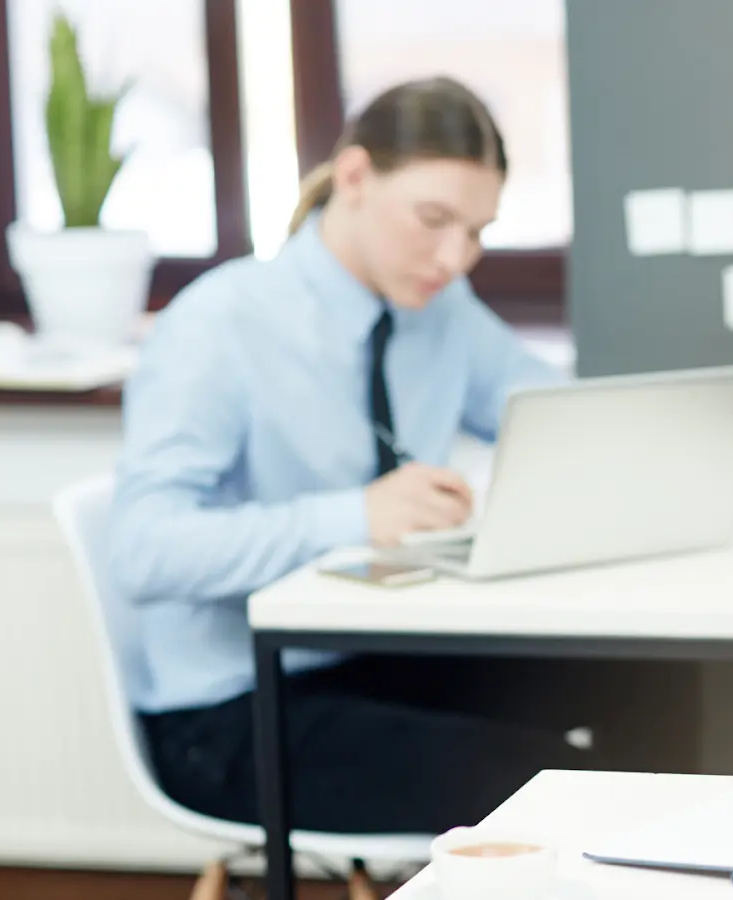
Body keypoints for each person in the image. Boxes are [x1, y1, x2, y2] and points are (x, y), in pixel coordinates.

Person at [108, 77, 616, 834]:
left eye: (477, 231)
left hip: (381, 655)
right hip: (232, 709)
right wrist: (356, 516)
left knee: (658, 692)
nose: (456, 257)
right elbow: (145, 552)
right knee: (562, 788)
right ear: (353, 178)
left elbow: (555, 418)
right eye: (435, 220)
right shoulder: (222, 322)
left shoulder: (439, 311)